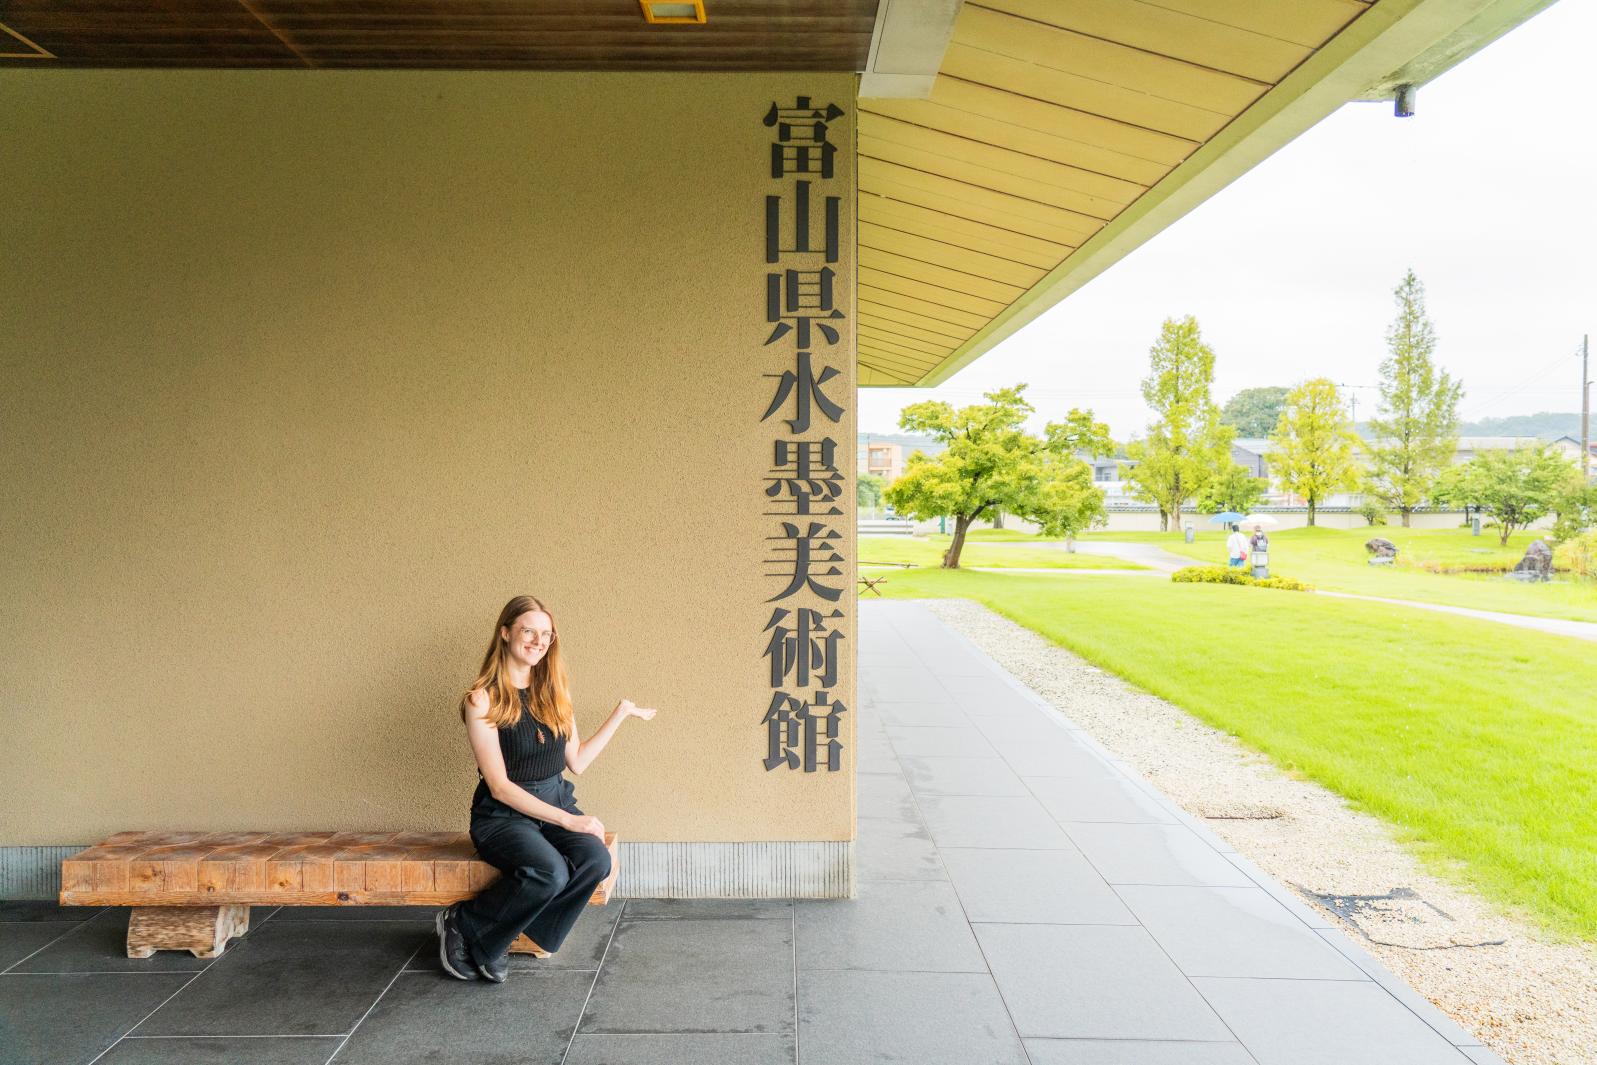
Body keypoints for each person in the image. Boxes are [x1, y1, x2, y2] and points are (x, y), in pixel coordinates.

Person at [436, 595, 658, 983]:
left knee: (596, 861)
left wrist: (620, 714)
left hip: (555, 799)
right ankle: (464, 922)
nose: (539, 641)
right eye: (529, 631)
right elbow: (500, 787)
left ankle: (498, 935)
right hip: (503, 816)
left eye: (547, 635)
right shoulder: (481, 700)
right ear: (505, 633)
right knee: (549, 872)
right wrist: (568, 822)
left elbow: (578, 762)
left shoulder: (555, 695)